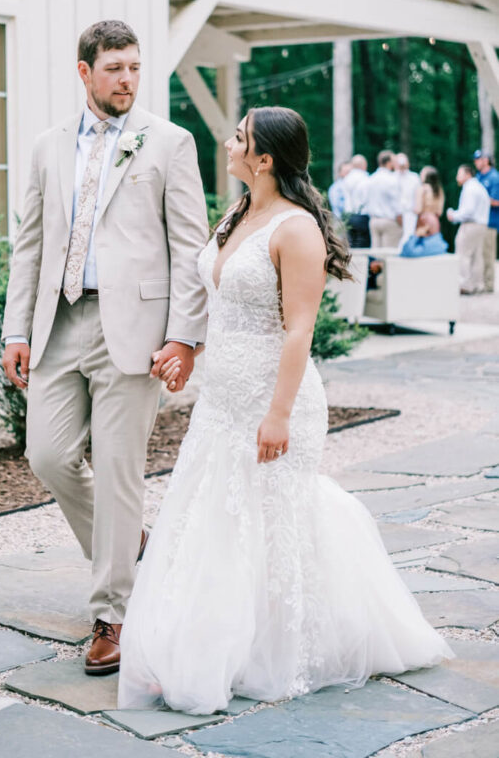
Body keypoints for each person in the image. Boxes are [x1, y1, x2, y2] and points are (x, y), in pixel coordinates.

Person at [119, 106, 452, 715]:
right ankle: (203, 642)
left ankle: (271, 648)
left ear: (264, 158)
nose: (228, 141)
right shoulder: (240, 212)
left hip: (275, 398)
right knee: (212, 515)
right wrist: (187, 353)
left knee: (269, 520)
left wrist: (277, 414)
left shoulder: (295, 229)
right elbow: (218, 300)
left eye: (238, 137)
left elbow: (299, 331)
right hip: (220, 398)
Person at [1, 20, 208, 676]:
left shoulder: (169, 143)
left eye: (134, 67)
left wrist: (184, 336)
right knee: (49, 455)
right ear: (85, 71)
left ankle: (112, 614)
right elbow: (29, 244)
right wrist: (16, 330)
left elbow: (189, 246)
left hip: (136, 332)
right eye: (114, 67)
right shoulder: (47, 147)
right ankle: (131, 542)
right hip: (60, 324)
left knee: (120, 469)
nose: (127, 78)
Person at [447, 163, 491, 295]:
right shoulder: (479, 187)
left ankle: (464, 284)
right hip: (481, 225)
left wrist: (454, 216)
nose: (457, 178)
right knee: (477, 256)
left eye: (459, 174)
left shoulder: (470, 188)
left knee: (463, 254)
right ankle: (478, 284)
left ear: (467, 174)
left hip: (470, 224)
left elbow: (468, 211)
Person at [473, 149, 499, 293]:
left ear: (486, 160)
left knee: (488, 254)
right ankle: (480, 282)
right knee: (479, 254)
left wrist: (480, 200)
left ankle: (489, 285)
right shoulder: (478, 177)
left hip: (490, 222)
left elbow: (496, 201)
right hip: (478, 221)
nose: (476, 162)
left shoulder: (495, 177)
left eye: (478, 159)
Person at [365, 150, 401, 248]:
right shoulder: (392, 179)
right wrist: (401, 221)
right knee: (389, 255)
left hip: (374, 221)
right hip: (389, 221)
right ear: (389, 162)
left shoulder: (370, 179)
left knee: (376, 256)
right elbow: (396, 204)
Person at [342, 153, 370, 247]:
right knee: (363, 243)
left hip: (348, 215)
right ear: (364, 165)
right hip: (361, 214)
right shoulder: (365, 178)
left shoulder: (346, 179)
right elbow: (366, 198)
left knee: (352, 243)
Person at [395, 152, 420, 249]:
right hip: (395, 213)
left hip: (410, 212)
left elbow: (417, 195)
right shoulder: (392, 177)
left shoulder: (414, 177)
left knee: (408, 234)